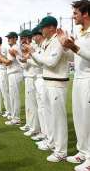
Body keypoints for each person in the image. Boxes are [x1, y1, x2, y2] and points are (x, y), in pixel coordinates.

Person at [27, 16, 71, 162]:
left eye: (43, 27)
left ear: (51, 27)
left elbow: (51, 62)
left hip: (57, 83)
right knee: (51, 117)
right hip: (48, 82)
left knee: (58, 119)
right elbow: (41, 64)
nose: (41, 30)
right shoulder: (48, 42)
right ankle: (52, 143)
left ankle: (61, 151)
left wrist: (33, 53)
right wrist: (33, 54)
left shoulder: (58, 40)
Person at [57, 0, 90, 171]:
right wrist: (66, 47)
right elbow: (75, 58)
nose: (73, 16)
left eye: (76, 13)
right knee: (79, 118)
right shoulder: (80, 32)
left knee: (88, 119)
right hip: (78, 79)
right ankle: (83, 152)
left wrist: (74, 47)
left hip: (89, 80)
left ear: (85, 14)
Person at [0, 32, 23, 125]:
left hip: (15, 73)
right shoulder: (12, 48)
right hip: (13, 73)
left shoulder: (15, 47)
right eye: (8, 38)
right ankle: (14, 116)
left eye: (10, 38)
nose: (8, 39)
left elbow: (7, 62)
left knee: (14, 97)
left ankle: (16, 118)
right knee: (13, 96)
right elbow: (6, 60)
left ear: (15, 39)